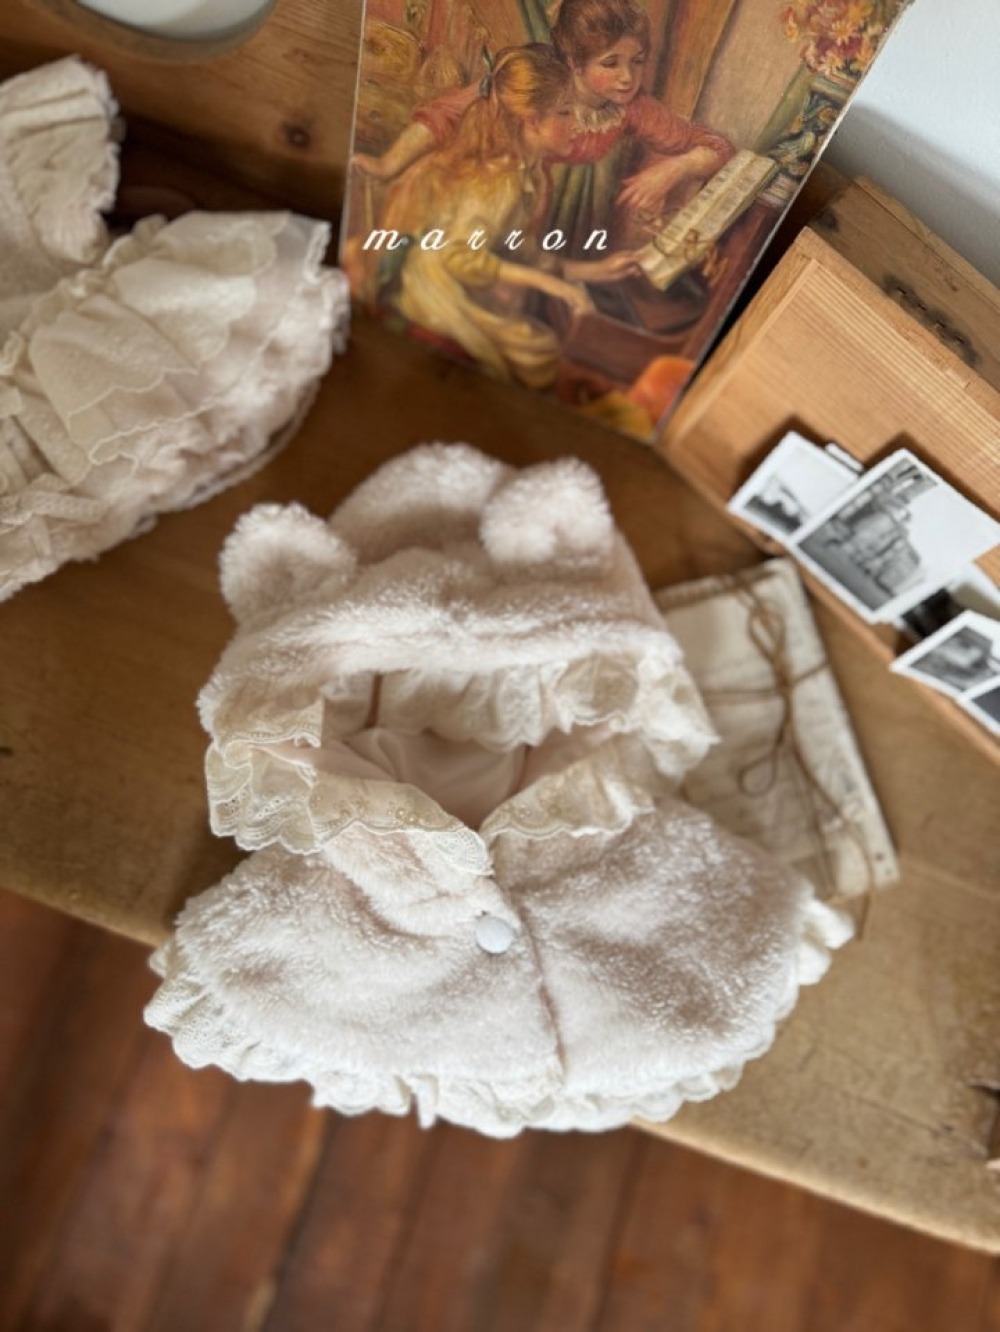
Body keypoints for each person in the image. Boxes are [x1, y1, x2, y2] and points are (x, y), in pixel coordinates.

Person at [353, 0, 733, 257]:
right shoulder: (534, 76)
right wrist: (387, 165)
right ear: (574, 63)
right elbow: (444, 114)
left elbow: (716, 147)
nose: (627, 77)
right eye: (611, 63)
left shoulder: (631, 108)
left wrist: (675, 169)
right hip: (475, 193)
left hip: (538, 216)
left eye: (637, 61)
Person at [367, 44, 642, 389]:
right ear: (532, 120)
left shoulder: (531, 175)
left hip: (467, 285)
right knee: (537, 354)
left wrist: (595, 271)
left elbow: (520, 251)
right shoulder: (501, 181)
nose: (577, 125)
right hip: (436, 291)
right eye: (564, 113)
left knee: (541, 350)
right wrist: (547, 284)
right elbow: (457, 257)